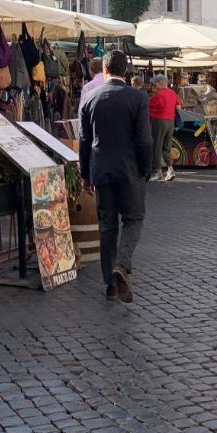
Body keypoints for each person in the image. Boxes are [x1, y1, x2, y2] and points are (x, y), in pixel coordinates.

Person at [78, 50, 151, 304]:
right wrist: (146, 168)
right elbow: (144, 139)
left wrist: (85, 174)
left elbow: (84, 141)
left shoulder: (89, 98)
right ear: (126, 71)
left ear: (104, 70)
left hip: (101, 169)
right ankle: (121, 264)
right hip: (130, 169)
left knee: (107, 226)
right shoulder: (138, 98)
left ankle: (110, 282)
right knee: (133, 219)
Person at [148, 74, 179, 183]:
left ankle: (159, 172)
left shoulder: (158, 95)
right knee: (167, 146)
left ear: (160, 83)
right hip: (171, 121)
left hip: (159, 121)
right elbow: (179, 106)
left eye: (155, 82)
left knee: (157, 146)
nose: (154, 84)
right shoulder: (173, 93)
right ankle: (170, 169)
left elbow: (147, 107)